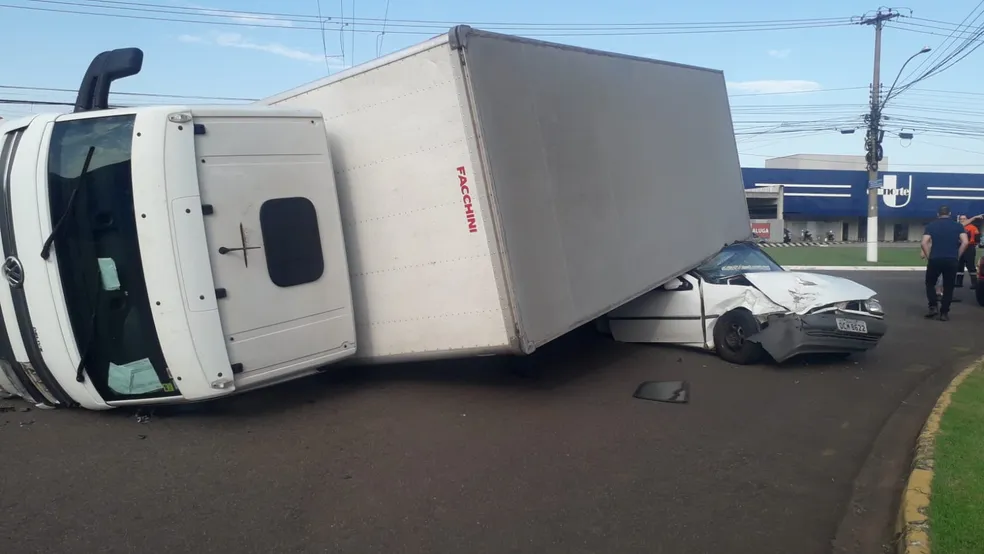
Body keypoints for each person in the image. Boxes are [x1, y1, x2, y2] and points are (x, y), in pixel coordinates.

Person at [921, 205, 969, 321]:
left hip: (935, 259)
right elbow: (965, 242)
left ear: (938, 214)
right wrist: (957, 255)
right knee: (948, 287)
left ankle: (933, 307)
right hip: (951, 259)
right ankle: (944, 313)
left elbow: (924, 243)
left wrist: (929, 256)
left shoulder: (931, 226)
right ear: (950, 213)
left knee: (930, 284)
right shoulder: (958, 226)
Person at [955, 213, 984, 289]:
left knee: (970, 265)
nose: (962, 220)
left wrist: (975, 244)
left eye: (964, 219)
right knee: (959, 265)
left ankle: (974, 283)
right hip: (959, 247)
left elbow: (977, 237)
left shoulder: (973, 228)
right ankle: (958, 282)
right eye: (961, 219)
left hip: (969, 247)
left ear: (967, 219)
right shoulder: (956, 227)